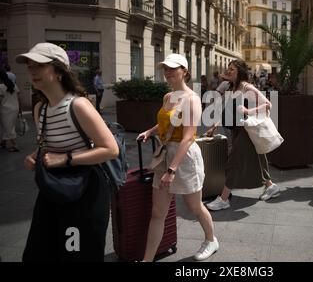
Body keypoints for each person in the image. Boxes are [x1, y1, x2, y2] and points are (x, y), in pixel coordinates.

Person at [17, 43, 119, 262]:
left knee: (77, 253)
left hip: (85, 192)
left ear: (59, 71)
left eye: (39, 65)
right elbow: (49, 145)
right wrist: (36, 155)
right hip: (54, 189)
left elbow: (110, 149)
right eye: (30, 66)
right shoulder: (40, 109)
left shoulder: (78, 105)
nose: (32, 71)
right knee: (40, 249)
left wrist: (66, 158)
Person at [137, 54, 219, 262]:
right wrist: (150, 131)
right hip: (165, 154)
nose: (168, 72)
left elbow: (189, 137)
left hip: (184, 158)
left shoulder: (192, 99)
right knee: (158, 213)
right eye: (165, 68)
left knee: (195, 207)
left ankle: (211, 240)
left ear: (185, 70)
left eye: (173, 68)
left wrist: (172, 171)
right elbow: (165, 123)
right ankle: (147, 260)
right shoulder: (168, 96)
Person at [205, 60, 281, 211]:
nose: (229, 71)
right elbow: (228, 113)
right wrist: (214, 126)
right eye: (228, 69)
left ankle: (223, 199)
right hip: (237, 130)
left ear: (240, 71)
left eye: (232, 69)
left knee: (234, 160)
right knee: (257, 158)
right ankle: (271, 186)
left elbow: (268, 104)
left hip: (246, 130)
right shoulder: (230, 88)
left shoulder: (247, 87)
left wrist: (248, 111)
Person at [0, 71, 21, 152]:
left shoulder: (1, 87)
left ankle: (15, 145)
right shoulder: (13, 85)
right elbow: (19, 97)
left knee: (8, 127)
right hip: (15, 108)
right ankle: (3, 142)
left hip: (5, 110)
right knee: (8, 126)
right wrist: (20, 109)